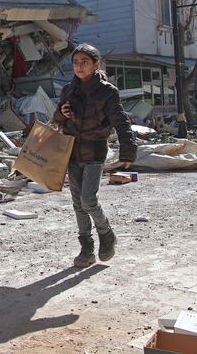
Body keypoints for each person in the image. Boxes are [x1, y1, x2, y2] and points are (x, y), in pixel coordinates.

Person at [53, 43, 137, 268]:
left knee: (88, 199)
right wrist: (62, 113)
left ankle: (106, 234)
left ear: (95, 64)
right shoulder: (68, 89)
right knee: (77, 203)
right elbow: (58, 118)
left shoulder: (107, 91)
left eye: (84, 62)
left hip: (95, 150)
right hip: (72, 151)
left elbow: (121, 122)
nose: (79, 67)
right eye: (75, 62)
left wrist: (128, 151)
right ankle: (86, 248)